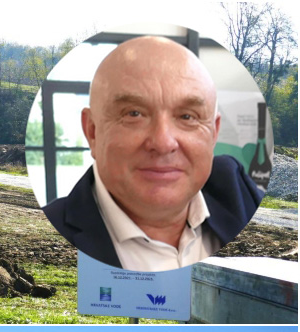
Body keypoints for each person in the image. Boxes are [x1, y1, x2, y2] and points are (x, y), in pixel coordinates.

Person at [42, 36, 263, 271]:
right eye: (134, 114)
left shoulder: (238, 192)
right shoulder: (51, 230)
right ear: (93, 132)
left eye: (187, 116)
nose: (163, 142)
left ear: (213, 134)